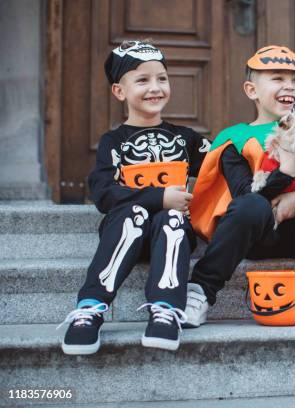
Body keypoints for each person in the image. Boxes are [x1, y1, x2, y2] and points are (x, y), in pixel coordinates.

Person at [58, 40, 208, 354]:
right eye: (142, 80)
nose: (155, 87)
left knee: (171, 218)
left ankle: (165, 310)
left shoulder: (186, 139)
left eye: (162, 78)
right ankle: (90, 308)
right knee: (134, 212)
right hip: (125, 233)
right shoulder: (112, 142)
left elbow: (220, 166)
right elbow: (103, 192)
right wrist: (159, 197)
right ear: (119, 92)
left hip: (171, 235)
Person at [186, 45, 295, 327]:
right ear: (252, 90)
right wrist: (286, 172)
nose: (290, 86)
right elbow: (243, 194)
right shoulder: (236, 138)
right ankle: (201, 290)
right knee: (250, 205)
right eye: (277, 78)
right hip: (256, 235)